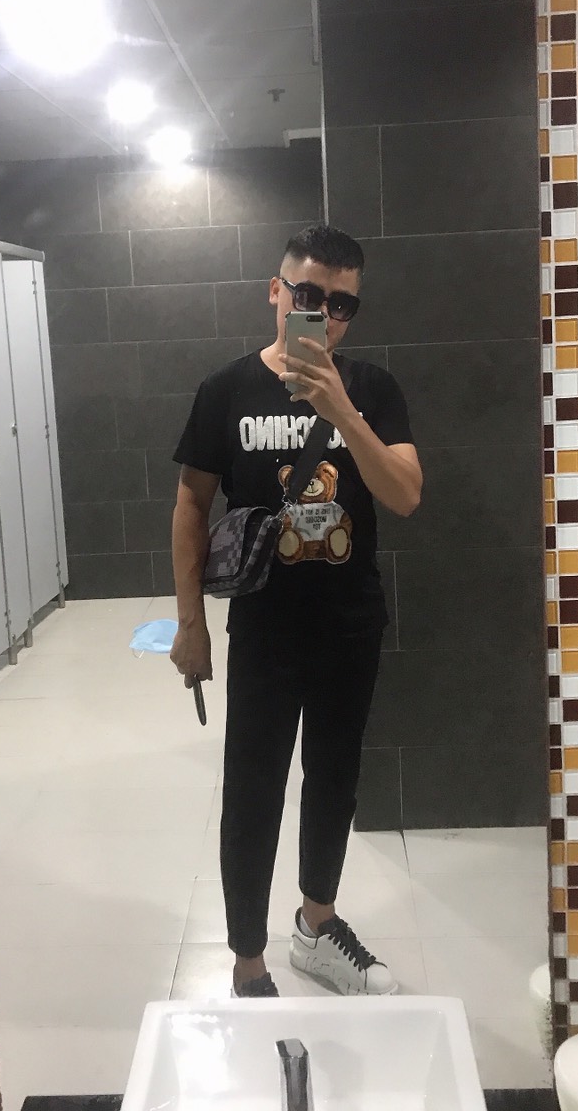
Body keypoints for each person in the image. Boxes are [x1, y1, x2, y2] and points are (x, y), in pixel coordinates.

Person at [170, 223, 422, 998]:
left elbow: (405, 495)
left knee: (334, 780)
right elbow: (191, 503)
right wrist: (190, 625)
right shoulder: (225, 390)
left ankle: (316, 926)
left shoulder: (372, 389)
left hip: (350, 625)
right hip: (264, 630)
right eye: (308, 294)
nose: (323, 313)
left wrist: (341, 410)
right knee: (252, 790)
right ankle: (248, 963)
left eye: (341, 304)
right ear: (276, 292)